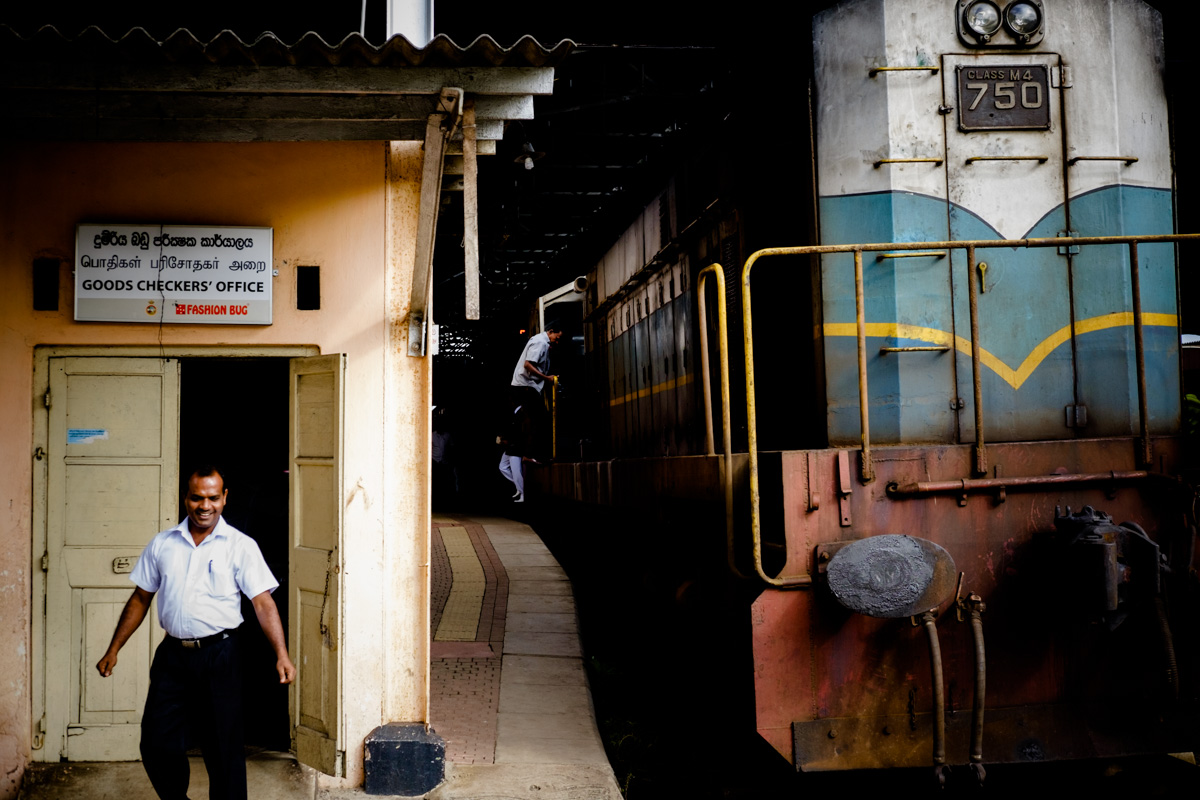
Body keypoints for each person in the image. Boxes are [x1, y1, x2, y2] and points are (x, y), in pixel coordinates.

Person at [95, 466, 296, 800]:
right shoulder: (163, 544)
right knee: (157, 742)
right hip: (172, 656)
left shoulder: (240, 546)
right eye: (197, 497)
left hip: (221, 655)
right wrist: (113, 648)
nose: (205, 506)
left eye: (213, 498)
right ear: (185, 497)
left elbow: (262, 603)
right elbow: (141, 597)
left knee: (223, 748)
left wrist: (282, 655)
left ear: (225, 497)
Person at [509, 322, 563, 462]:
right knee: (540, 419)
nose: (557, 341)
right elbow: (528, 365)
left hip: (525, 386)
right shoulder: (541, 343)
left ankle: (530, 454)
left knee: (536, 419)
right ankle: (531, 455)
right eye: (557, 337)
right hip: (526, 386)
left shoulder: (540, 341)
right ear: (550, 331)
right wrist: (547, 378)